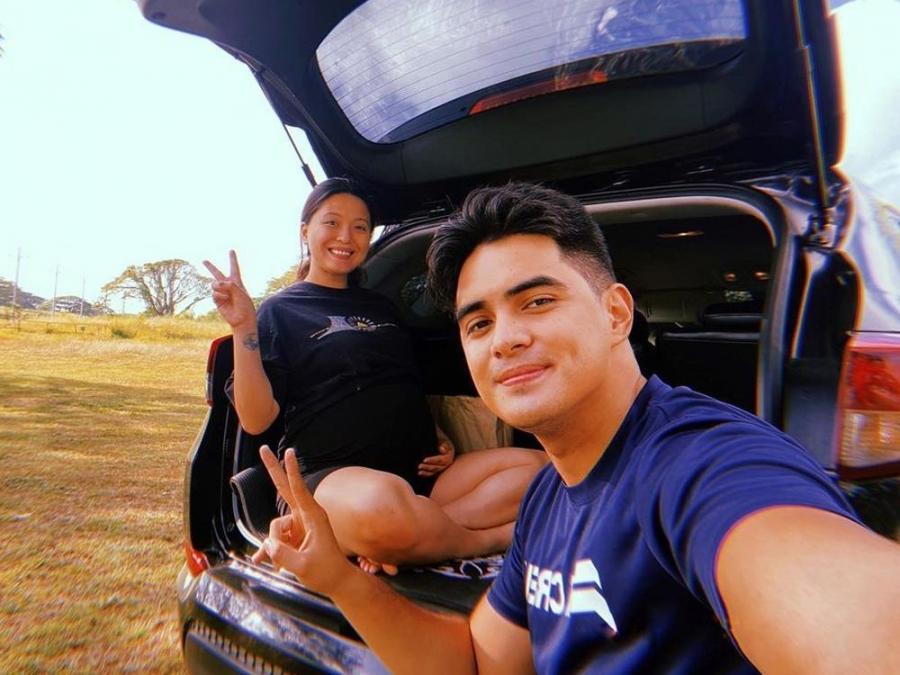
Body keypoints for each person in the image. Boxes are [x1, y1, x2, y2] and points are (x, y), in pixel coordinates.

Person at [257, 182, 900, 674]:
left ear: (616, 313)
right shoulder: (549, 499)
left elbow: (846, 613)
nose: (506, 338)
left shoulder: (702, 466)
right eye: (479, 323)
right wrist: (338, 578)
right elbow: (477, 664)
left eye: (537, 301)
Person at [204, 177, 546, 574]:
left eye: (360, 226)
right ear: (305, 231)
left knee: (542, 469)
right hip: (332, 479)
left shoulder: (381, 306)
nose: (345, 236)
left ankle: (408, 532)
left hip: (420, 477)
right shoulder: (280, 310)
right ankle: (491, 538)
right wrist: (244, 327)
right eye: (332, 223)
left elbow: (402, 383)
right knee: (380, 506)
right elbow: (255, 419)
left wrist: (439, 434)